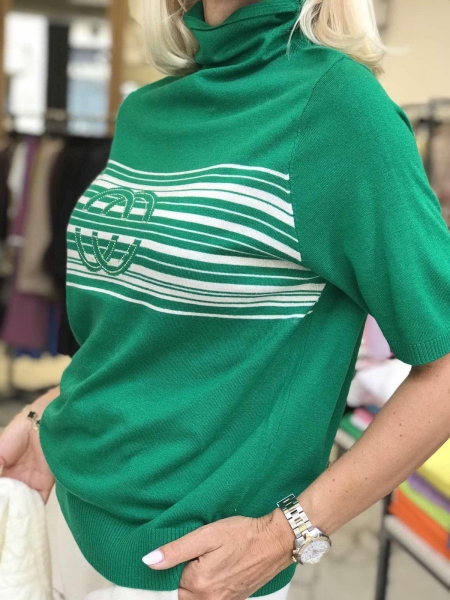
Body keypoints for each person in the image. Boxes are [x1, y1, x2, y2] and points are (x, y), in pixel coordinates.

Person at [1, 0, 450, 598]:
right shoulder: (146, 110)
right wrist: (46, 414)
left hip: (189, 566)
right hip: (58, 500)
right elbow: (143, 339)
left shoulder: (339, 108)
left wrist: (287, 533)